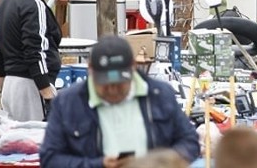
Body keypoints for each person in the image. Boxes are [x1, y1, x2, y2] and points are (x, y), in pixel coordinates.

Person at [40, 36, 200, 168]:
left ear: (133, 67)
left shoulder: (159, 94)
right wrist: (98, 164)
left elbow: (189, 141)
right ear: (90, 70)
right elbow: (50, 159)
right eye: (105, 83)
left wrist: (161, 162)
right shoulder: (69, 102)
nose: (112, 89)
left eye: (119, 82)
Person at [0, 0, 63, 121]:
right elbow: (35, 51)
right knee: (35, 142)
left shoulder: (5, 0)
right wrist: (47, 92)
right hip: (30, 86)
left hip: (10, 85)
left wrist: (3, 84)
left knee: (15, 143)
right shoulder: (34, 4)